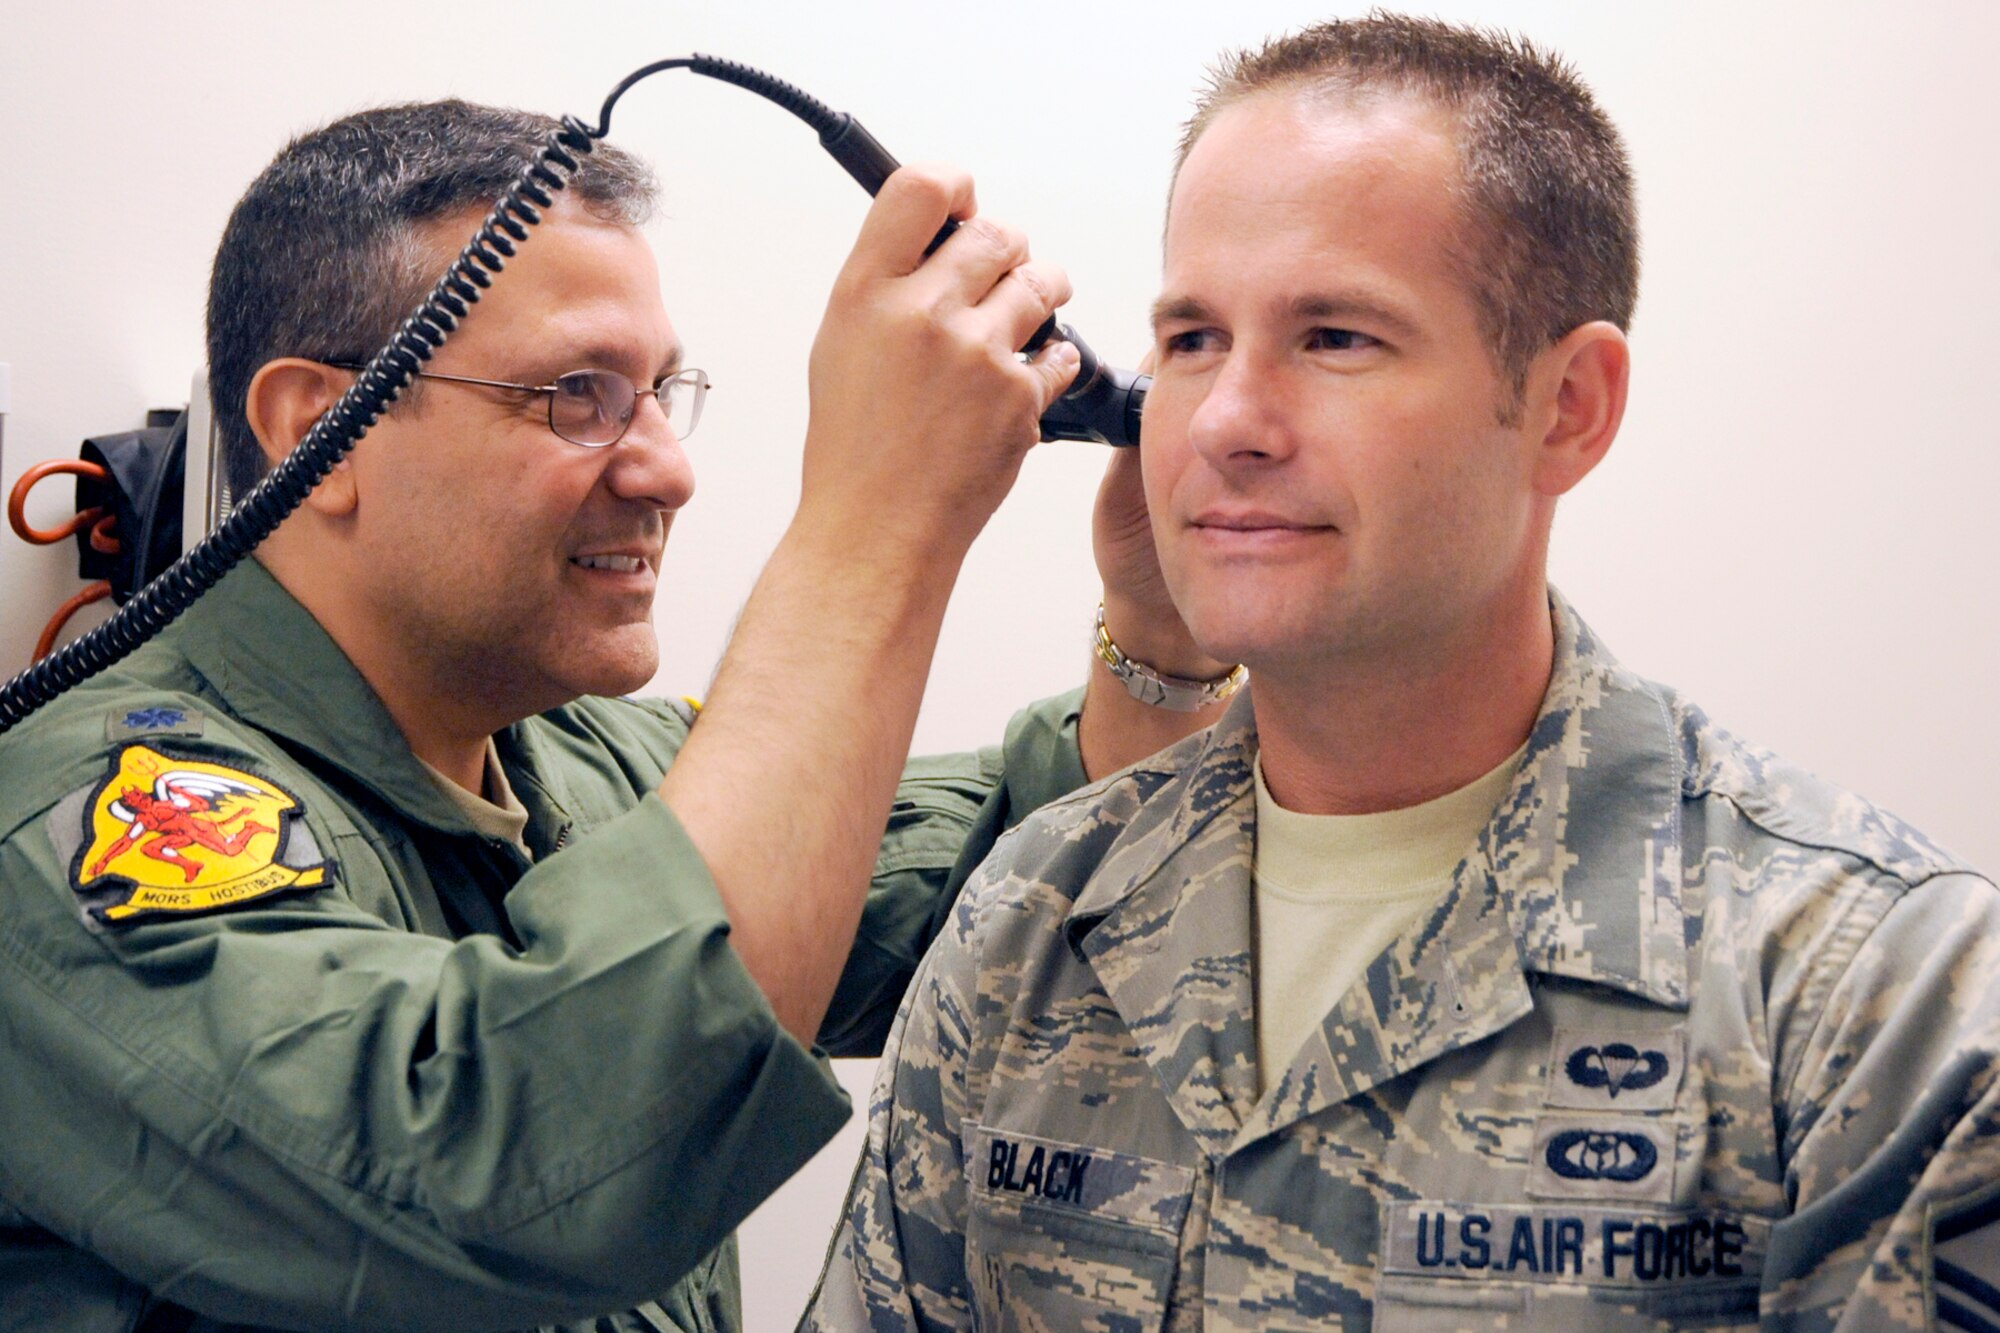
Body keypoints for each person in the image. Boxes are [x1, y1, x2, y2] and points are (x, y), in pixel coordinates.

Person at [807, 15, 2000, 1331]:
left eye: (1335, 338)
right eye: (1193, 337)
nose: (1225, 424)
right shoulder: (1025, 924)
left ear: (1568, 406)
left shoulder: (1867, 995)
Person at [0, 101, 1230, 1331]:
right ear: (321, 430)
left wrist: (1157, 633)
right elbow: (526, 1165)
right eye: (577, 396)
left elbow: (1009, 876)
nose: (666, 469)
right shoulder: (83, 833)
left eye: (658, 392)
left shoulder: (576, 761)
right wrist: (873, 520)